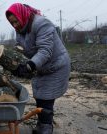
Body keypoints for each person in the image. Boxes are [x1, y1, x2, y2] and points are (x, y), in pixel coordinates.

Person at [5, 3, 70, 134]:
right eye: (12, 23)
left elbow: (45, 51)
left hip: (56, 66)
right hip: (41, 66)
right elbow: (20, 47)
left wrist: (29, 65)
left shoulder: (41, 24)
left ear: (21, 15)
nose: (15, 25)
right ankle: (42, 123)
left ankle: (46, 127)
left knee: (47, 97)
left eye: (16, 21)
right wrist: (15, 62)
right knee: (39, 95)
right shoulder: (20, 30)